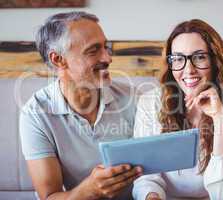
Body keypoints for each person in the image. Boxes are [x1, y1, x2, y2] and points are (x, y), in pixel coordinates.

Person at [132, 19, 223, 200]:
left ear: (215, 61)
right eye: (178, 59)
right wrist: (151, 197)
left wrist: (220, 119)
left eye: (199, 57)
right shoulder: (150, 104)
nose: (188, 69)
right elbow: (147, 178)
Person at [19, 11, 142, 200]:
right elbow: (49, 196)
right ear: (58, 59)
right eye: (93, 51)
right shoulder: (35, 114)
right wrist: (90, 190)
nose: (107, 58)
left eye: (106, 47)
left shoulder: (135, 99)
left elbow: (157, 177)